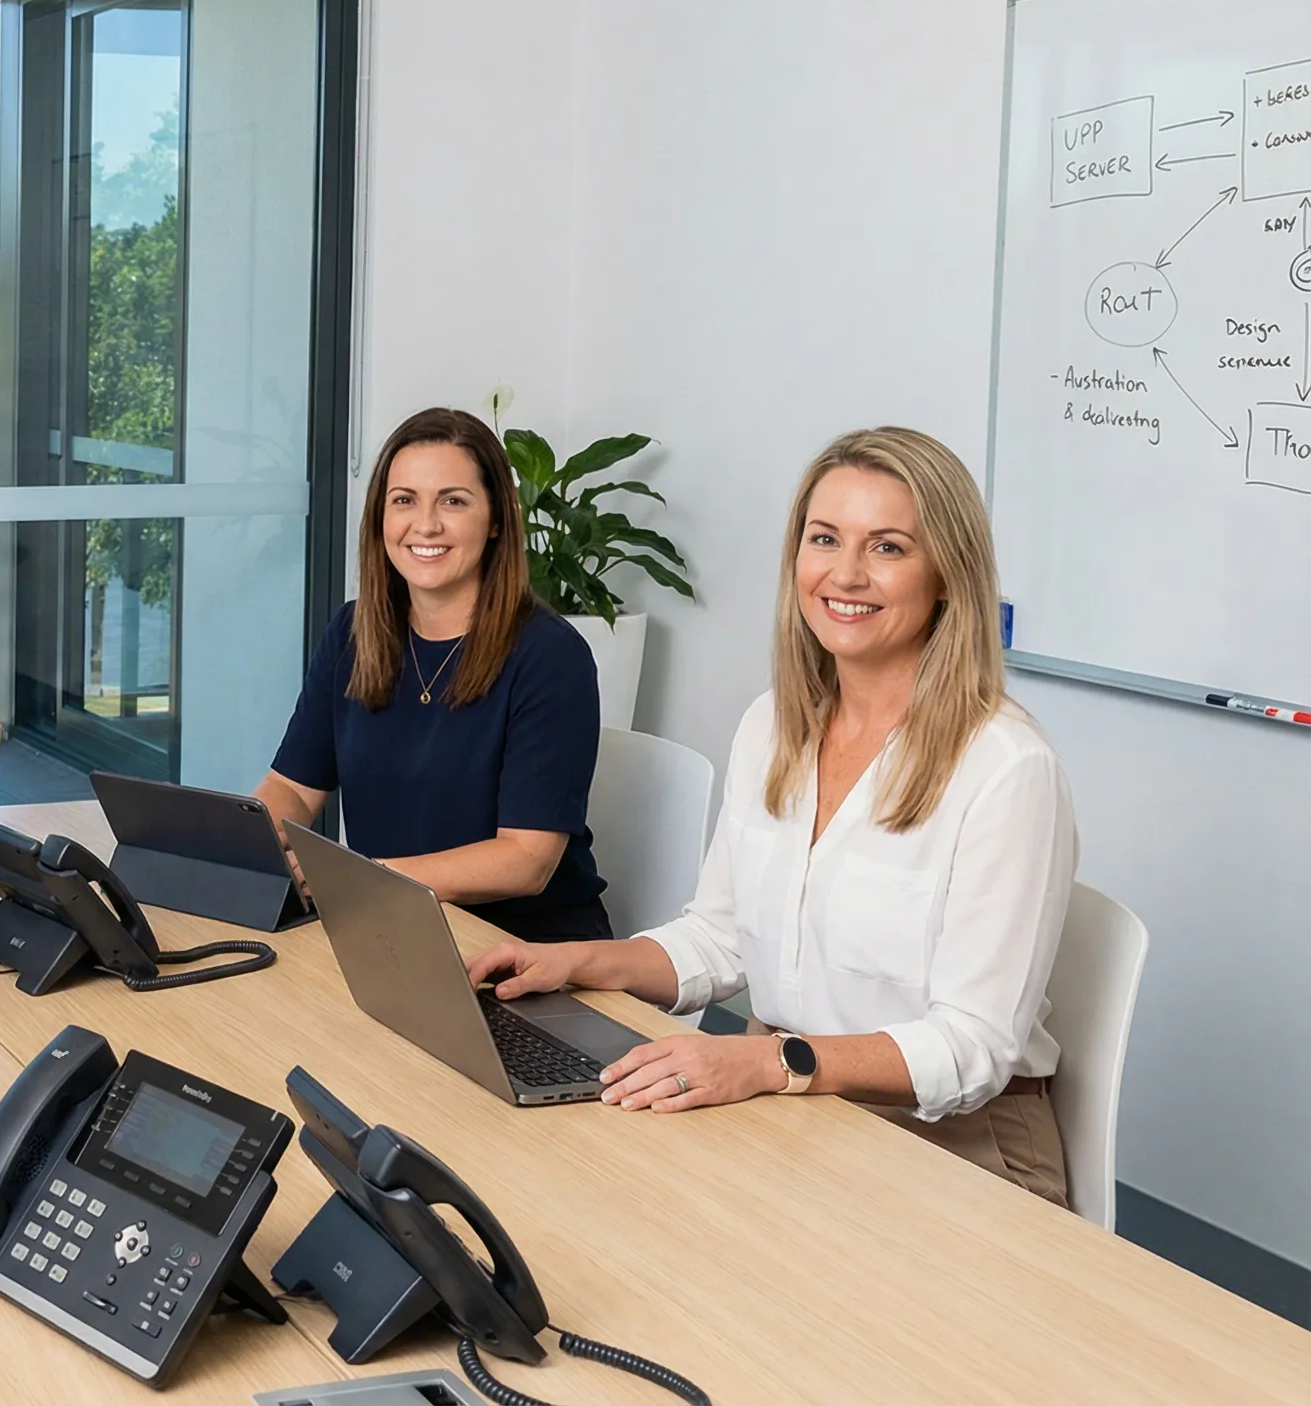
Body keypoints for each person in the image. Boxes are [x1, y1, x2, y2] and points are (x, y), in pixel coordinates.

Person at [467, 427, 1077, 1206]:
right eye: (825, 539)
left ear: (948, 577)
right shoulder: (773, 725)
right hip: (798, 1105)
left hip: (958, 1148)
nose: (846, 574)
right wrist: (577, 962)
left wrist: (769, 1063)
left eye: (888, 547)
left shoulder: (1005, 768)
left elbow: (974, 1046)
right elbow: (721, 937)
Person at [255, 407, 610, 941]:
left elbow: (526, 860)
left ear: (495, 521)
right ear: (381, 517)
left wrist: (360, 880)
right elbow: (294, 790)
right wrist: (242, 844)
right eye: (404, 501)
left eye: (453, 501)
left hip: (525, 953)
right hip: (389, 931)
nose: (426, 524)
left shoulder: (551, 656)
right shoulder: (354, 632)